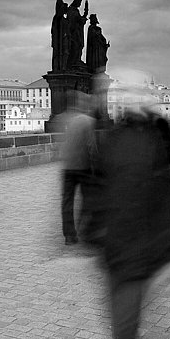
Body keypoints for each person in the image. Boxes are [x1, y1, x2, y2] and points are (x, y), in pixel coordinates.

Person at [97, 102, 170, 339]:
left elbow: (168, 201)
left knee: (123, 334)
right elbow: (98, 191)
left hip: (134, 253)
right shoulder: (112, 140)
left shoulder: (153, 144)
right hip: (118, 249)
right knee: (122, 333)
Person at [55, 91, 99, 245]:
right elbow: (91, 146)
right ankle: (84, 230)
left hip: (67, 166)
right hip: (83, 166)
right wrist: (95, 166)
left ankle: (69, 235)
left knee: (67, 201)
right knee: (88, 199)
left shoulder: (65, 118)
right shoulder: (89, 121)